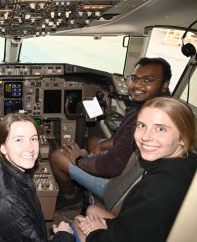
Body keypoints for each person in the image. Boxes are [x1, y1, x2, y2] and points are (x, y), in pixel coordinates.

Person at [50, 57, 172, 210]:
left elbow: (112, 166)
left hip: (117, 188)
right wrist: (100, 148)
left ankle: (70, 198)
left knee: (57, 157)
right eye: (134, 78)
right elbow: (119, 140)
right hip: (130, 169)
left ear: (164, 85)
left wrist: (80, 159)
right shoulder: (152, 106)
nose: (138, 84)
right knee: (94, 141)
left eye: (148, 80)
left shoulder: (146, 120)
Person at [73, 97, 197, 242]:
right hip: (144, 229)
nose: (145, 136)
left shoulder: (160, 188)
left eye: (160, 129)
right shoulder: (187, 161)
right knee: (92, 210)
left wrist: (95, 232)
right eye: (141, 125)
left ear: (183, 137)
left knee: (78, 221)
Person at [0, 113, 75, 242]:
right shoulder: (8, 202)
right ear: (3, 148)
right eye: (19, 140)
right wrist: (64, 235)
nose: (30, 148)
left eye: (33, 139)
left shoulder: (5, 170)